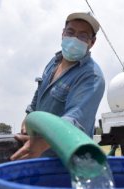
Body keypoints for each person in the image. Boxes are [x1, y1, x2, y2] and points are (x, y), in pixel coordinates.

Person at [10, 12, 105, 160]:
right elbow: (39, 92)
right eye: (71, 32)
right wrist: (29, 114)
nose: (74, 39)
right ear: (63, 33)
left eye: (82, 36)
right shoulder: (54, 62)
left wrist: (41, 143)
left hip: (66, 161)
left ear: (92, 42)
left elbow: (74, 120)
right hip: (38, 154)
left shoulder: (91, 76)